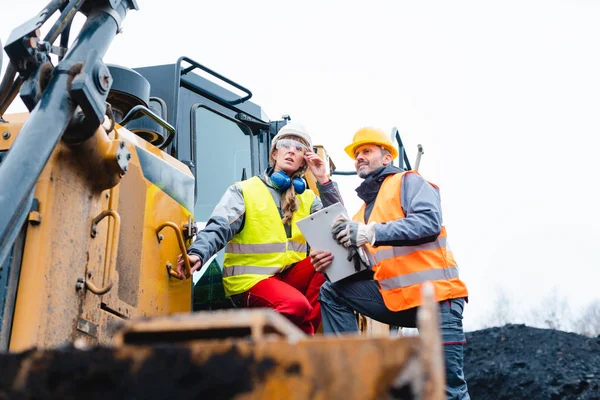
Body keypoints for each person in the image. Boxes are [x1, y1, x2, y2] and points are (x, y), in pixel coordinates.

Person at [310, 127, 470, 399]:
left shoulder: (409, 181)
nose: (360, 157)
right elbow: (342, 225)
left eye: (367, 151)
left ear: (387, 158)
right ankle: (355, 371)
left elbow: (428, 222)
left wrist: (372, 233)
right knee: (331, 292)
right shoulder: (364, 211)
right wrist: (324, 182)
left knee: (447, 389)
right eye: (357, 153)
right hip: (397, 299)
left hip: (437, 300)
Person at [177, 122, 342, 335]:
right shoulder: (245, 190)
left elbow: (339, 228)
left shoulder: (309, 199)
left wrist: (322, 179)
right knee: (296, 305)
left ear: (305, 160)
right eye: (285, 144)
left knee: (331, 258)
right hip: (251, 281)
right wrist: (198, 253)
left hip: (288, 279)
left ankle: (301, 340)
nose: (291, 150)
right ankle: (276, 346)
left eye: (299, 148)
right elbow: (220, 226)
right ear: (274, 153)